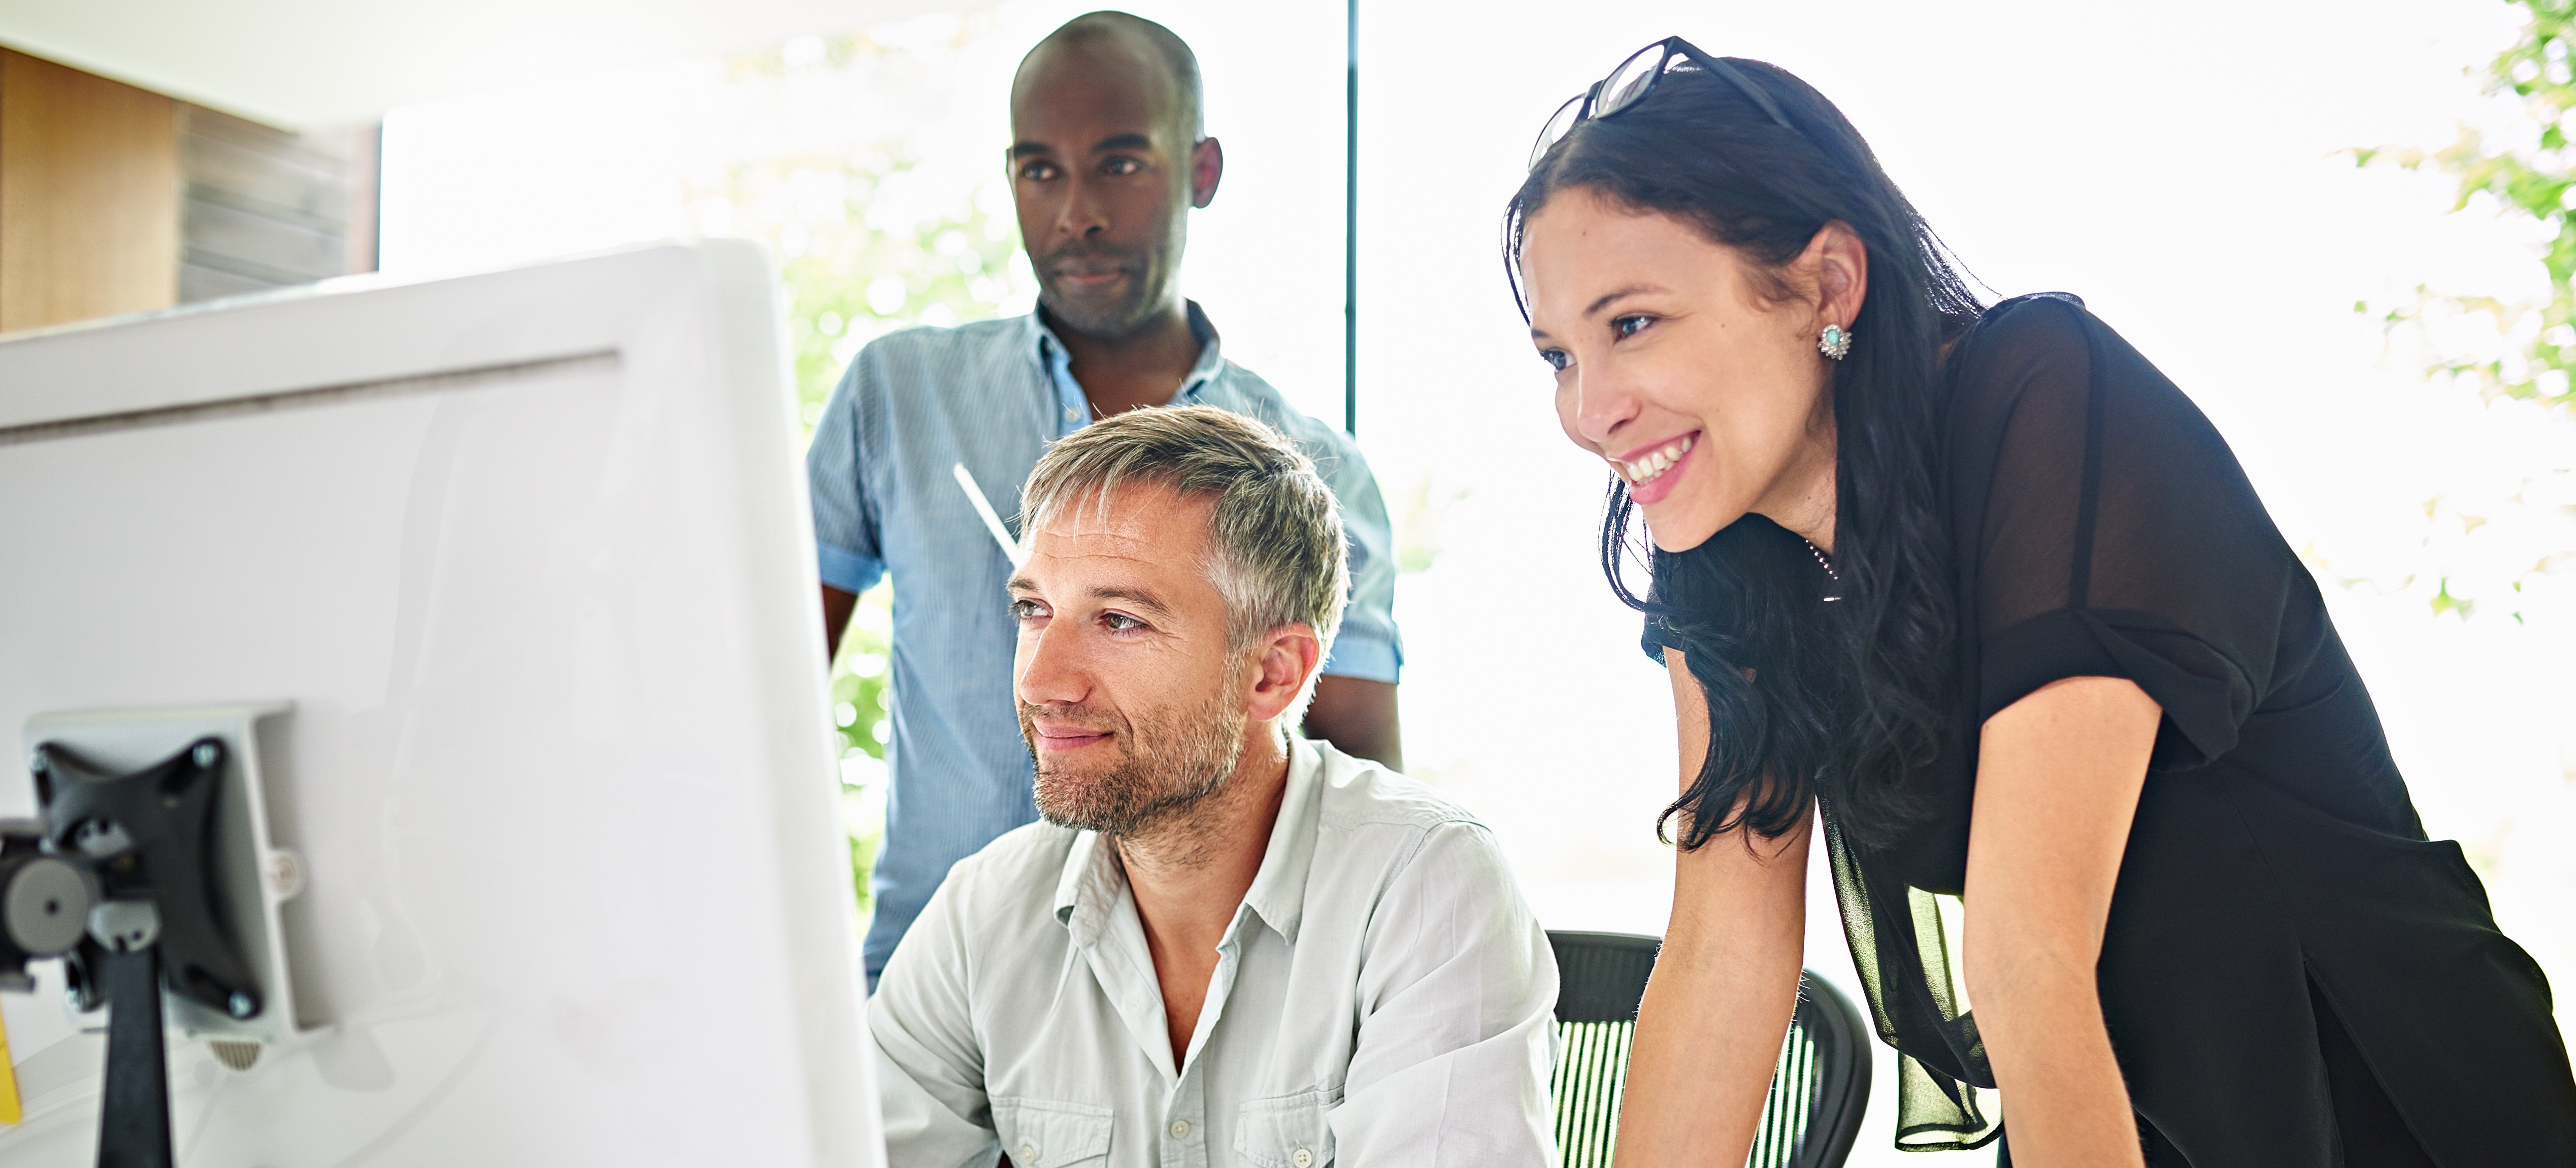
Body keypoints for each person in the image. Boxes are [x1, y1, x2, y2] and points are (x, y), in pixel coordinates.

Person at [1507, 37, 2576, 1167]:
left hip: (2378, 1091)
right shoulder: (1724, 532)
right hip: (2122, 1105)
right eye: (1556, 356)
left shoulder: (2045, 395)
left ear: (1826, 284)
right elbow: (1723, 956)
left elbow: (2026, 947)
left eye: (1629, 325)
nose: (1590, 410)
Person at [807, 11, 1403, 983]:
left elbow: (1360, 784)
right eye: (1040, 171)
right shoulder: (896, 395)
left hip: (1205, 1004)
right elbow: (766, 698)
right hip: (933, 987)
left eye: (1120, 165)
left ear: (1200, 172)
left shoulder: (1316, 470)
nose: (1076, 212)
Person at [867, 405, 1556, 1167]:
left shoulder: (1424, 887)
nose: (1041, 682)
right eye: (1034, 609)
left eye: (1120, 620)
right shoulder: (984, 913)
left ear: (1272, 672)